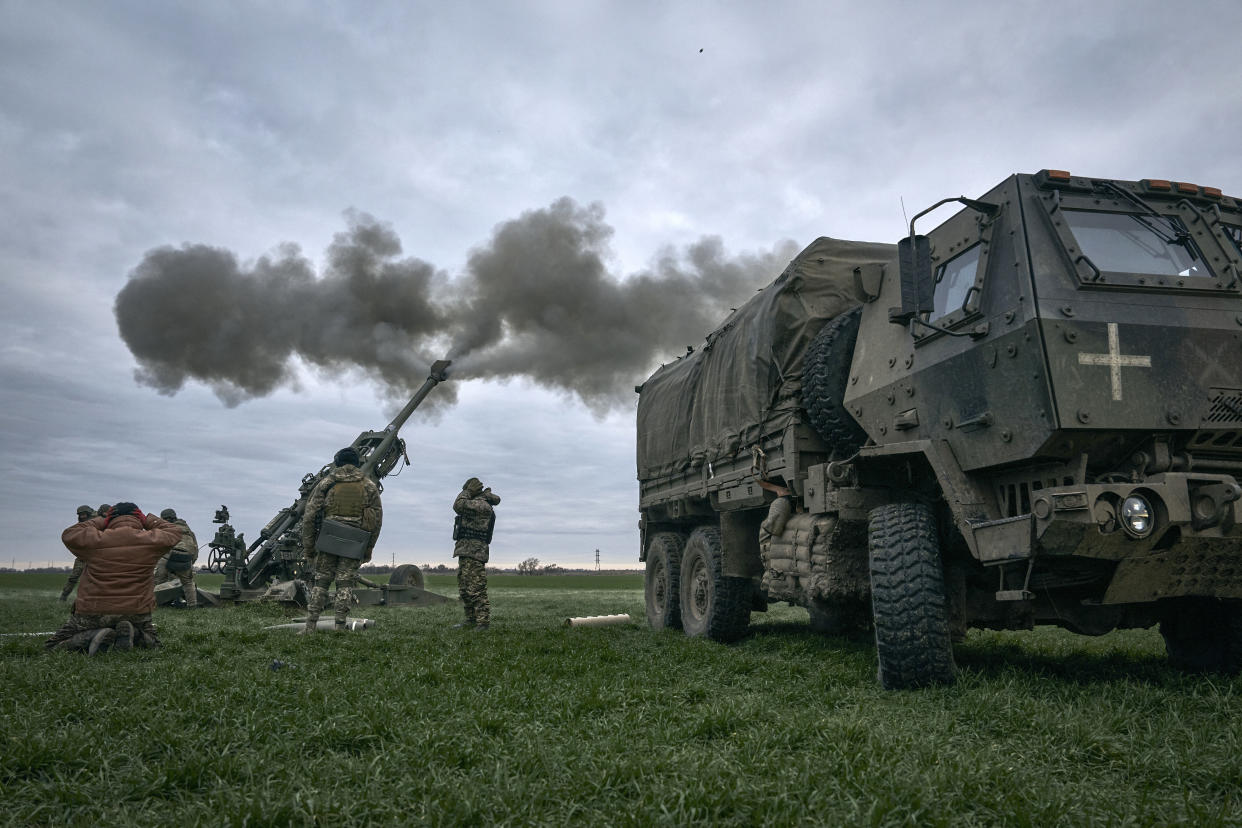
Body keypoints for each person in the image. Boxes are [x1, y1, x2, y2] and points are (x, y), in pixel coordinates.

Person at [46, 502, 183, 655]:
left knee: (53, 646)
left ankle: (93, 635)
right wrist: (147, 519)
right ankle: (133, 632)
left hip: (93, 611)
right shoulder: (150, 540)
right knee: (152, 641)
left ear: (110, 519)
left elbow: (70, 533)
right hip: (136, 612)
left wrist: (101, 520)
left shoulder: (95, 540)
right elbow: (175, 531)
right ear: (139, 518)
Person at [298, 447, 382, 634]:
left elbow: (310, 516)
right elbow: (376, 520)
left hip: (329, 539)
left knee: (321, 583)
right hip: (354, 541)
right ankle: (339, 626)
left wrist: (309, 547)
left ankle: (310, 626)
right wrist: (368, 547)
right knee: (345, 584)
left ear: (337, 462)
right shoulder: (368, 485)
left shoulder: (327, 483)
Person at [452, 477, 501, 631]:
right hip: (466, 551)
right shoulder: (477, 503)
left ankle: (483, 622)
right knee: (465, 589)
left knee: (476, 588)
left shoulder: (482, 505)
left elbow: (458, 505)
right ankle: (471, 619)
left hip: (475, 552)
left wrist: (467, 491)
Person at [152, 508, 199, 608]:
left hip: (169, 555)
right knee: (187, 583)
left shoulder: (166, 528)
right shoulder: (188, 531)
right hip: (186, 557)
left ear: (164, 519)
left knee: (158, 580)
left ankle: (156, 603)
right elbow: (195, 548)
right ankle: (192, 605)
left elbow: (159, 545)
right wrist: (191, 562)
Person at [58, 505, 94, 601]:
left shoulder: (98, 521)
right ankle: (63, 597)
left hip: (96, 555)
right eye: (81, 515)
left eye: (84, 514)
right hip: (83, 556)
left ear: (89, 513)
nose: (82, 516)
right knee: (74, 577)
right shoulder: (80, 525)